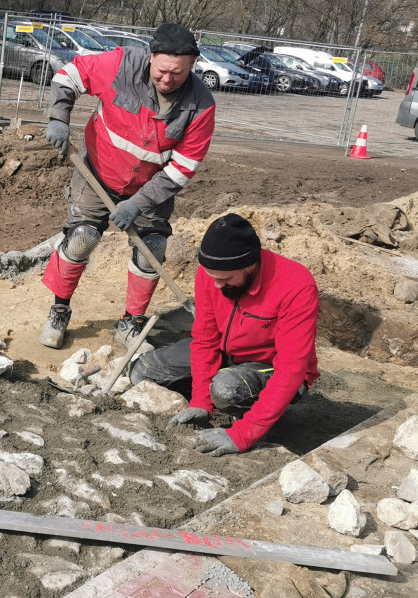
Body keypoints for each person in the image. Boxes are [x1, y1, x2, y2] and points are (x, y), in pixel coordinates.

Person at [41, 23, 216, 349]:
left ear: (193, 65)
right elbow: (69, 75)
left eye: (177, 74)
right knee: (82, 238)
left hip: (151, 188)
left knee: (153, 250)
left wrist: (138, 203)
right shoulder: (121, 65)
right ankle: (59, 309)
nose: (167, 79)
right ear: (151, 58)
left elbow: (183, 167)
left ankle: (130, 323)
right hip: (96, 172)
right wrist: (58, 118)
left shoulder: (201, 105)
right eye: (162, 71)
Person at [130, 213, 320, 455]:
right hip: (228, 355)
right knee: (142, 371)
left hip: (269, 366)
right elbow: (205, 341)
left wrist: (242, 435)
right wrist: (201, 401)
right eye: (212, 277)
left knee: (227, 389)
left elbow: (291, 369)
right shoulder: (211, 276)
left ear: (250, 265)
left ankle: (256, 419)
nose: (217, 285)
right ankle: (218, 397)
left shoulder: (296, 286)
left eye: (226, 279)